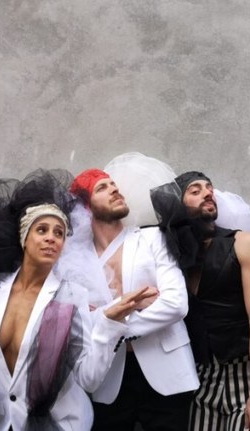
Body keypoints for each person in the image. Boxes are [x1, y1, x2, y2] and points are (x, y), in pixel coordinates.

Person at [0, 169, 156, 431]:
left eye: (59, 233)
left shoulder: (72, 296)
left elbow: (88, 378)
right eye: (42, 230)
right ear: (24, 238)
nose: (51, 238)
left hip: (63, 424)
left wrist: (110, 324)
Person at [66, 168, 199, 431]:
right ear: (85, 207)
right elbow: (79, 322)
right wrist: (134, 303)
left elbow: (175, 304)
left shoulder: (152, 238)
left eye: (113, 184)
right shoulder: (77, 262)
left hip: (167, 375)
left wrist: (109, 321)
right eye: (102, 187)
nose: (114, 189)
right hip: (109, 379)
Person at [152, 171, 250, 431]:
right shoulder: (169, 253)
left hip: (244, 374)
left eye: (209, 188)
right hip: (197, 379)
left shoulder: (243, 242)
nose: (208, 193)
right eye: (195, 190)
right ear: (178, 204)